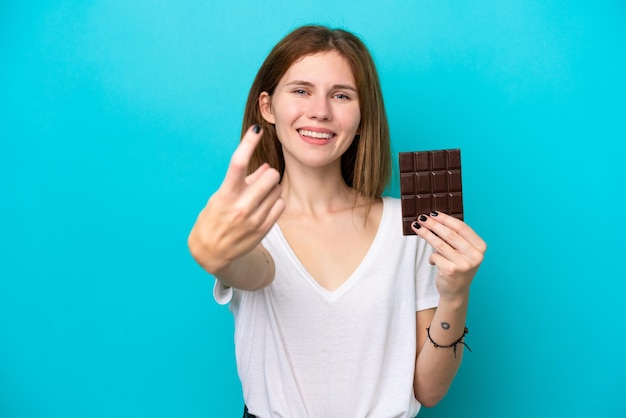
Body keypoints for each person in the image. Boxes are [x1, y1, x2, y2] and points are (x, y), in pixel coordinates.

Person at [188, 25, 487, 418]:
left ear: (363, 118)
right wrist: (215, 255)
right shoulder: (251, 222)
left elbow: (429, 391)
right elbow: (253, 270)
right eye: (300, 90)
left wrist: (456, 294)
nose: (321, 111)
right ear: (267, 107)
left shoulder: (412, 225)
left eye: (341, 95)